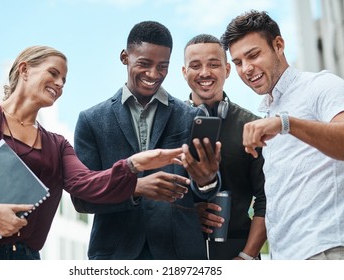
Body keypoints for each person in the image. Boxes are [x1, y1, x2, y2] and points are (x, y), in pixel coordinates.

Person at [0, 45, 191, 260]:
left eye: (64, 79)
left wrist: (132, 165)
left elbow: (87, 184)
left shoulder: (57, 144)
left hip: (24, 258)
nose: (60, 84)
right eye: (53, 73)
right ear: (24, 70)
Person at [72, 21, 221, 260]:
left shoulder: (192, 116)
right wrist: (135, 189)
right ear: (124, 57)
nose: (153, 74)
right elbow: (82, 199)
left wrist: (207, 181)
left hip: (181, 256)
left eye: (162, 66)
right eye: (144, 64)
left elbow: (205, 193)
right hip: (115, 255)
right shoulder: (92, 120)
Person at [221, 10, 344, 260]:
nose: (246, 68)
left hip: (325, 249)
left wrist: (286, 123)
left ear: (278, 45)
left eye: (253, 55)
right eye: (238, 62)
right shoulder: (270, 113)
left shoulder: (320, 85)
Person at [182, 34, 267, 260]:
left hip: (239, 254)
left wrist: (247, 256)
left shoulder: (253, 126)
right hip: (183, 254)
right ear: (184, 72)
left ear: (227, 70)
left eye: (213, 64)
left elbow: (267, 199)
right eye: (195, 65)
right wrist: (187, 213)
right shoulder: (169, 124)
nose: (205, 73)